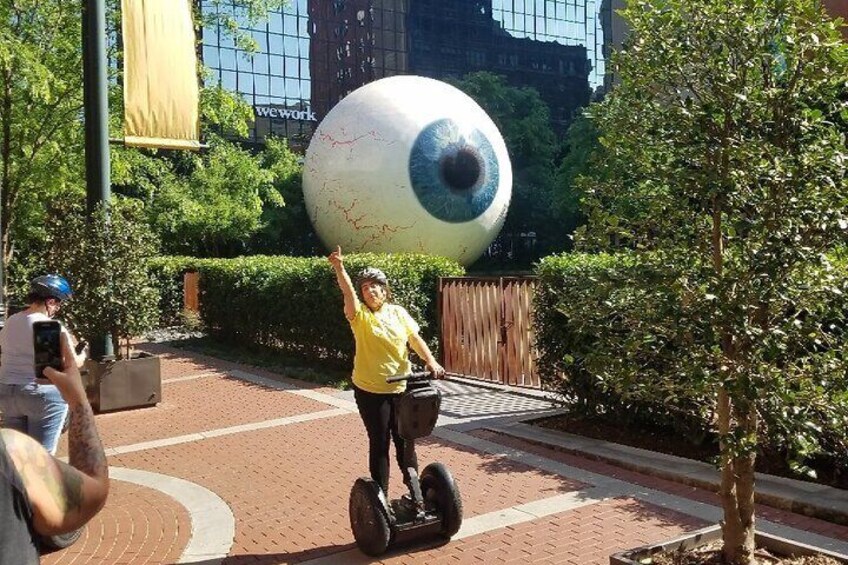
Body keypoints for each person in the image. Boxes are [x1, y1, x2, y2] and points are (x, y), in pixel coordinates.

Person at [329, 246, 446, 503]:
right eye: (365, 288)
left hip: (402, 388)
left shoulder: (398, 313)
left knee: (406, 441)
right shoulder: (360, 316)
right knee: (380, 442)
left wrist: (431, 361)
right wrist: (339, 267)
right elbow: (348, 293)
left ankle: (416, 494)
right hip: (370, 391)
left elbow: (414, 339)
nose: (370, 291)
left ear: (384, 290)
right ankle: (380, 498)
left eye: (375, 286)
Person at [0, 330, 109, 563]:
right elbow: (94, 489)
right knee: (43, 456)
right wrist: (78, 400)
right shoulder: (12, 452)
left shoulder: (11, 325)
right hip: (45, 396)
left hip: (11, 394)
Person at [0, 274, 87, 455]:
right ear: (50, 301)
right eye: (58, 303)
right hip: (41, 395)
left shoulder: (11, 321)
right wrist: (83, 354)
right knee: (42, 456)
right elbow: (68, 364)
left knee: (17, 454)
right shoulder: (47, 326)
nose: (58, 308)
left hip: (8, 391)